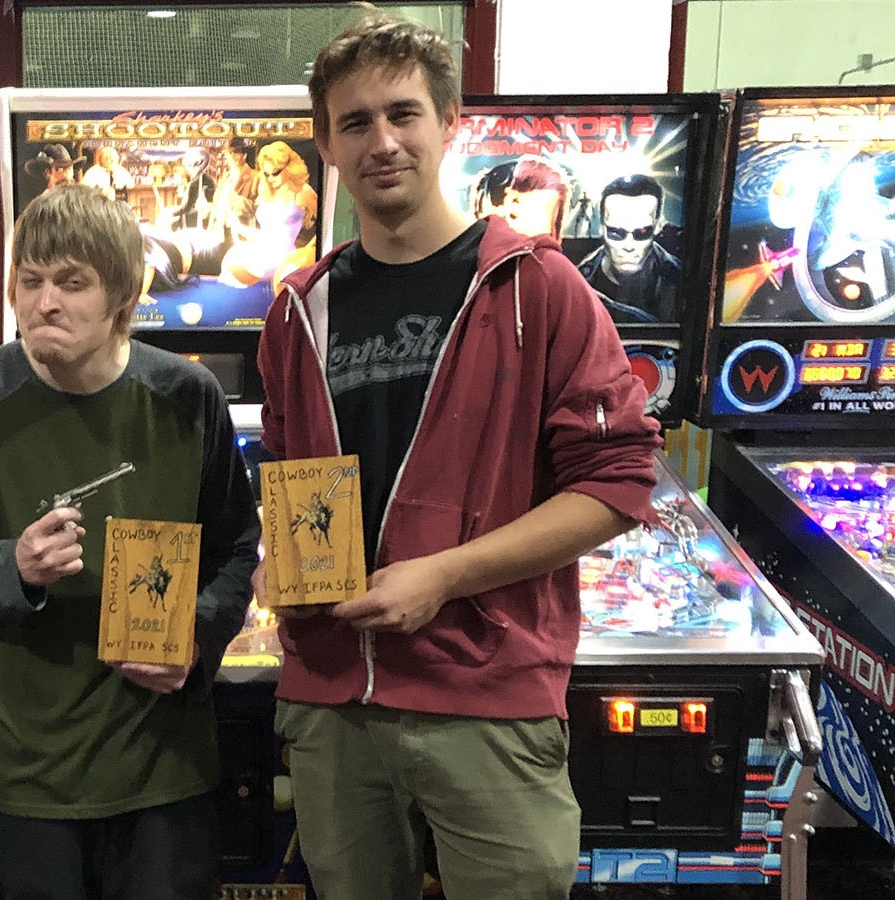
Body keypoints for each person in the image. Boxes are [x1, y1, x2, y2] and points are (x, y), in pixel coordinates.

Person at [257, 11, 661, 900]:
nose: (383, 140)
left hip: (487, 699)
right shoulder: (297, 310)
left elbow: (619, 483)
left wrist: (444, 575)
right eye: (355, 122)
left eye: (404, 114)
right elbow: (290, 481)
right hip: (333, 699)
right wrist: (275, 570)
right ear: (326, 144)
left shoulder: (538, 288)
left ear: (449, 124)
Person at [0, 183, 259, 900]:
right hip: (28, 770)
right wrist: (12, 568)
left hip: (164, 764)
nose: (44, 303)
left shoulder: (188, 397)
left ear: (124, 295)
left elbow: (236, 548)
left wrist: (195, 633)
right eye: (30, 282)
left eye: (72, 282)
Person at [577, 174, 683, 323]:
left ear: (658, 226)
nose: (628, 246)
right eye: (616, 233)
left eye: (641, 233)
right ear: (602, 227)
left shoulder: (678, 277)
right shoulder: (579, 280)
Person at [220, 140, 319, 289]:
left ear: (289, 168)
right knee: (231, 265)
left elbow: (329, 219)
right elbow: (267, 237)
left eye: (275, 173)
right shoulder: (266, 192)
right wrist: (239, 227)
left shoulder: (302, 192)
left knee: (239, 271)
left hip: (285, 262)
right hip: (263, 254)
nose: (270, 178)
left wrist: (309, 251)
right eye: (266, 174)